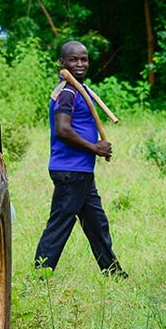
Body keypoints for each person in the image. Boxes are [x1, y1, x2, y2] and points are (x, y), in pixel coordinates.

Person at [33, 41, 125, 276]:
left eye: (83, 59)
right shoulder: (66, 92)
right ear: (62, 63)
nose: (80, 64)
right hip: (70, 170)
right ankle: (40, 273)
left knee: (96, 223)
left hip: (80, 171)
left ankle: (113, 272)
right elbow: (63, 130)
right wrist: (95, 148)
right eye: (73, 60)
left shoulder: (77, 89)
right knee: (60, 224)